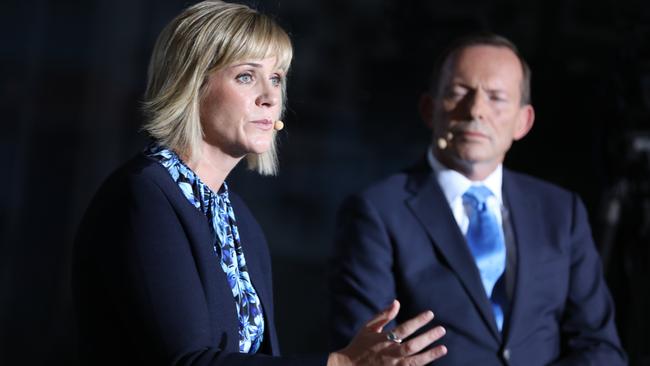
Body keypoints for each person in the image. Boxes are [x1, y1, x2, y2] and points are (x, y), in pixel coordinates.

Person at [72, 1, 448, 365]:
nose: (271, 97)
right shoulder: (146, 196)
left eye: (277, 78)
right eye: (246, 76)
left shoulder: (239, 219)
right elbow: (187, 361)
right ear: (192, 84)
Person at [330, 33, 627, 365]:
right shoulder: (376, 211)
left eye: (497, 97)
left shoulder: (561, 211)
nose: (475, 110)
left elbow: (600, 347)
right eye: (459, 93)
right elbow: (367, 353)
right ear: (429, 109)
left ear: (523, 121)